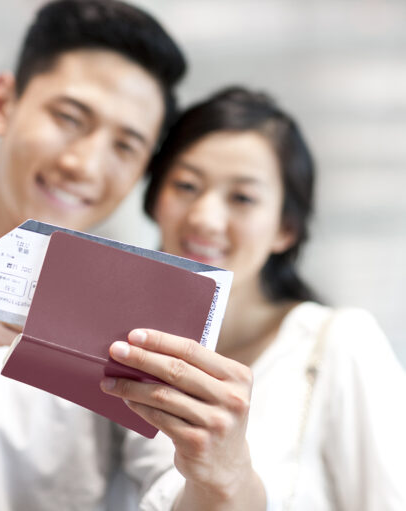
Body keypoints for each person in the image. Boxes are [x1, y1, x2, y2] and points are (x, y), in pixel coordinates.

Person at [100, 87, 406, 510]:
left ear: (286, 229)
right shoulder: (122, 348)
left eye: (242, 197)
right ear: (155, 201)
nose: (205, 217)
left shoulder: (340, 342)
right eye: (186, 185)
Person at [0, 1, 187, 509]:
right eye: (70, 118)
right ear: (2, 102)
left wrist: (225, 473)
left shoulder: (130, 330)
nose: (84, 165)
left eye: (125, 146)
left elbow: (176, 487)